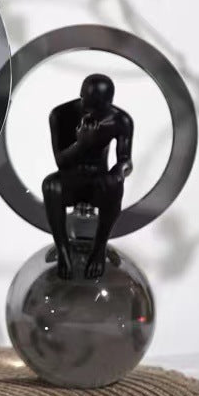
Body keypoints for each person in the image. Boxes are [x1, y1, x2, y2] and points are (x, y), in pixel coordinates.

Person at [41, 73, 133, 280]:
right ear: (81, 96)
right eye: (88, 106)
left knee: (114, 186)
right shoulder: (61, 114)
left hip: (98, 180)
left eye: (99, 109)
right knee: (50, 185)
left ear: (110, 103)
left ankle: (99, 249)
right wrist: (81, 144)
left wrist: (119, 172)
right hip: (70, 178)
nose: (92, 114)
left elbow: (125, 160)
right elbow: (61, 161)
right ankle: (63, 251)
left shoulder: (120, 120)